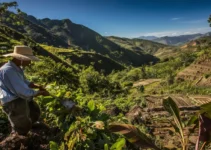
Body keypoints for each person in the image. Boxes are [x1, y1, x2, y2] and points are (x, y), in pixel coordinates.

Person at [0, 45, 50, 136]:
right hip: (13, 102)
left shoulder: (16, 69)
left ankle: (31, 126)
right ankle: (19, 138)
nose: (30, 62)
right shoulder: (9, 71)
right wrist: (40, 93)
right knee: (21, 124)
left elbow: (24, 82)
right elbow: (23, 92)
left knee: (34, 111)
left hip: (19, 98)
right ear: (20, 59)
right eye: (28, 59)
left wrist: (37, 86)